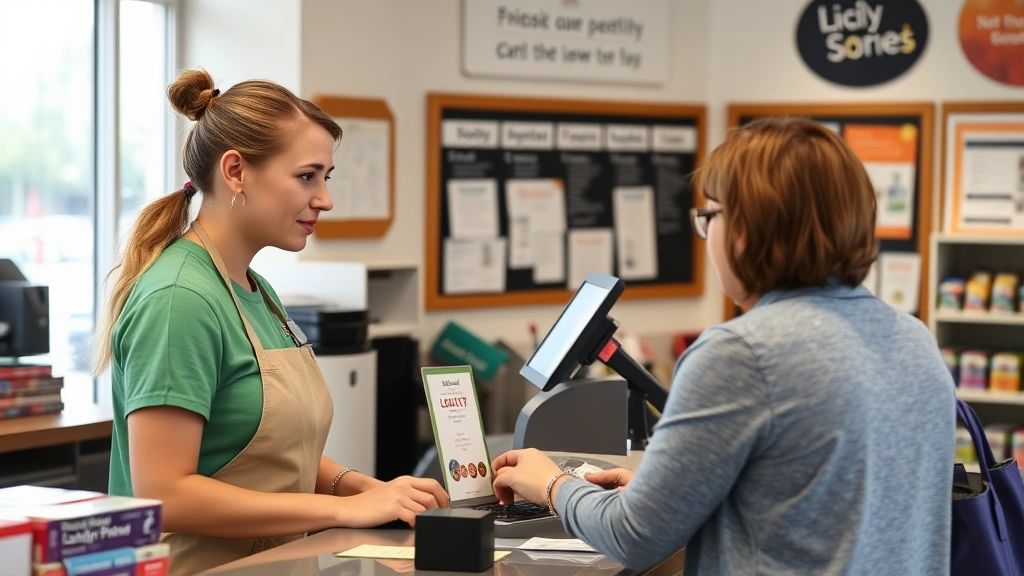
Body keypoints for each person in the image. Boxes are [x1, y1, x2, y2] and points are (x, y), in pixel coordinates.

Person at [490, 117, 955, 575]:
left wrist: (553, 484)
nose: (706, 236)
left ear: (747, 229)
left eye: (708, 216)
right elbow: (832, 512)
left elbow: (633, 537)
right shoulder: (914, 339)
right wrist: (674, 495)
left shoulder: (743, 353)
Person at [94, 69, 448, 576]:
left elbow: (268, 450)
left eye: (326, 177)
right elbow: (164, 493)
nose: (324, 198)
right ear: (235, 171)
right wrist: (343, 511)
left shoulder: (257, 290)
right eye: (307, 176)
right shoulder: (180, 298)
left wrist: (357, 485)